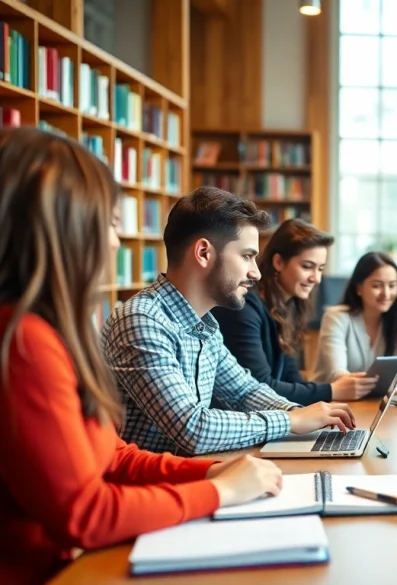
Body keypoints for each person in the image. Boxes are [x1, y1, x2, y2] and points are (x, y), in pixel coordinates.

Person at [0, 128, 284, 585]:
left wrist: (211, 472)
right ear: (63, 228)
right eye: (110, 223)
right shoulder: (24, 342)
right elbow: (85, 513)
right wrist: (218, 491)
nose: (117, 242)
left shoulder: (56, 331)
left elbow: (114, 457)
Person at [103, 187, 356, 456]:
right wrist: (290, 421)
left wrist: (302, 413)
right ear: (204, 253)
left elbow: (244, 391)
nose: (256, 273)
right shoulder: (142, 320)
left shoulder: (205, 325)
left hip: (190, 471)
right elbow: (192, 429)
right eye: (247, 256)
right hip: (149, 479)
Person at [212, 218, 354, 405]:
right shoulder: (243, 308)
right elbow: (259, 387)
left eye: (320, 269)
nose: (316, 278)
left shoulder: (286, 307)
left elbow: (290, 376)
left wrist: (321, 402)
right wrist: (331, 390)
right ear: (278, 262)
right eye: (307, 267)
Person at [314, 251, 397, 393]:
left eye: (392, 286)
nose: (386, 294)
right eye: (377, 286)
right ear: (359, 288)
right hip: (331, 400)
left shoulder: (396, 321)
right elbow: (337, 374)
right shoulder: (336, 317)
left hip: (375, 401)